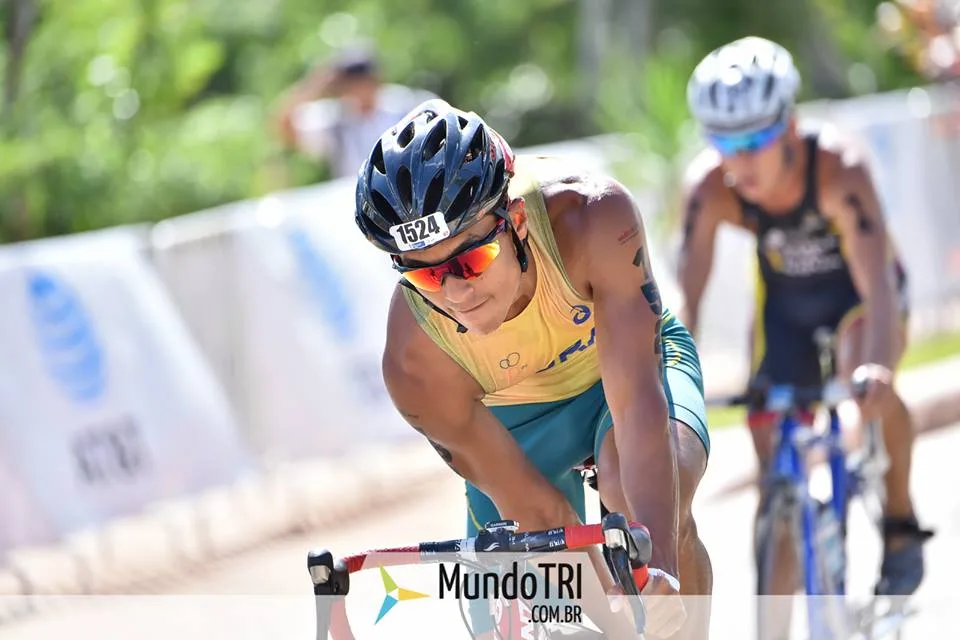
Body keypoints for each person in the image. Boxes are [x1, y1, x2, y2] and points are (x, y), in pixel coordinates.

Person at [353, 99, 713, 638]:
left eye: (469, 262)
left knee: (641, 499)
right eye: (426, 278)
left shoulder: (593, 218)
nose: (455, 293)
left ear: (516, 221)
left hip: (616, 374)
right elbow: (538, 512)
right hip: (516, 418)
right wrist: (613, 625)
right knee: (538, 591)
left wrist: (657, 562)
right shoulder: (414, 361)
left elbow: (637, 405)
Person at [678, 36, 934, 602]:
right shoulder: (709, 187)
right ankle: (782, 588)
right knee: (772, 451)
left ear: (788, 125)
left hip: (862, 299)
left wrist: (878, 371)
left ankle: (899, 523)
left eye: (754, 140)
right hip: (786, 307)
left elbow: (880, 287)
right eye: (723, 141)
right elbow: (684, 309)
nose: (738, 160)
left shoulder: (841, 169)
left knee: (863, 385)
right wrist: (672, 382)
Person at [274, 43, 437, 179]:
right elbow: (283, 127)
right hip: (355, 203)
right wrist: (316, 83)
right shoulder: (337, 119)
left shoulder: (405, 106)